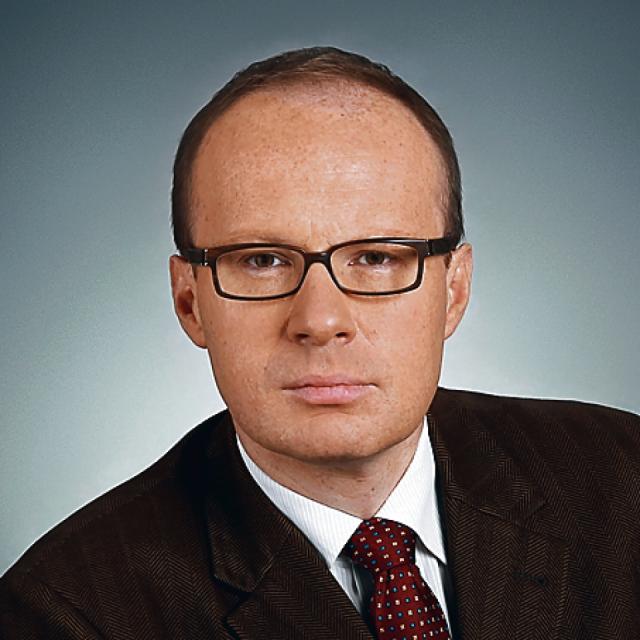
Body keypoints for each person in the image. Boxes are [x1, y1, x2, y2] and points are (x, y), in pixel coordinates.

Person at [1, 46, 639, 640]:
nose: (321, 320)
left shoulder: (623, 478)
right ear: (190, 302)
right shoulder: (66, 613)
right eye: (261, 260)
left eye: (377, 257)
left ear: (454, 290)